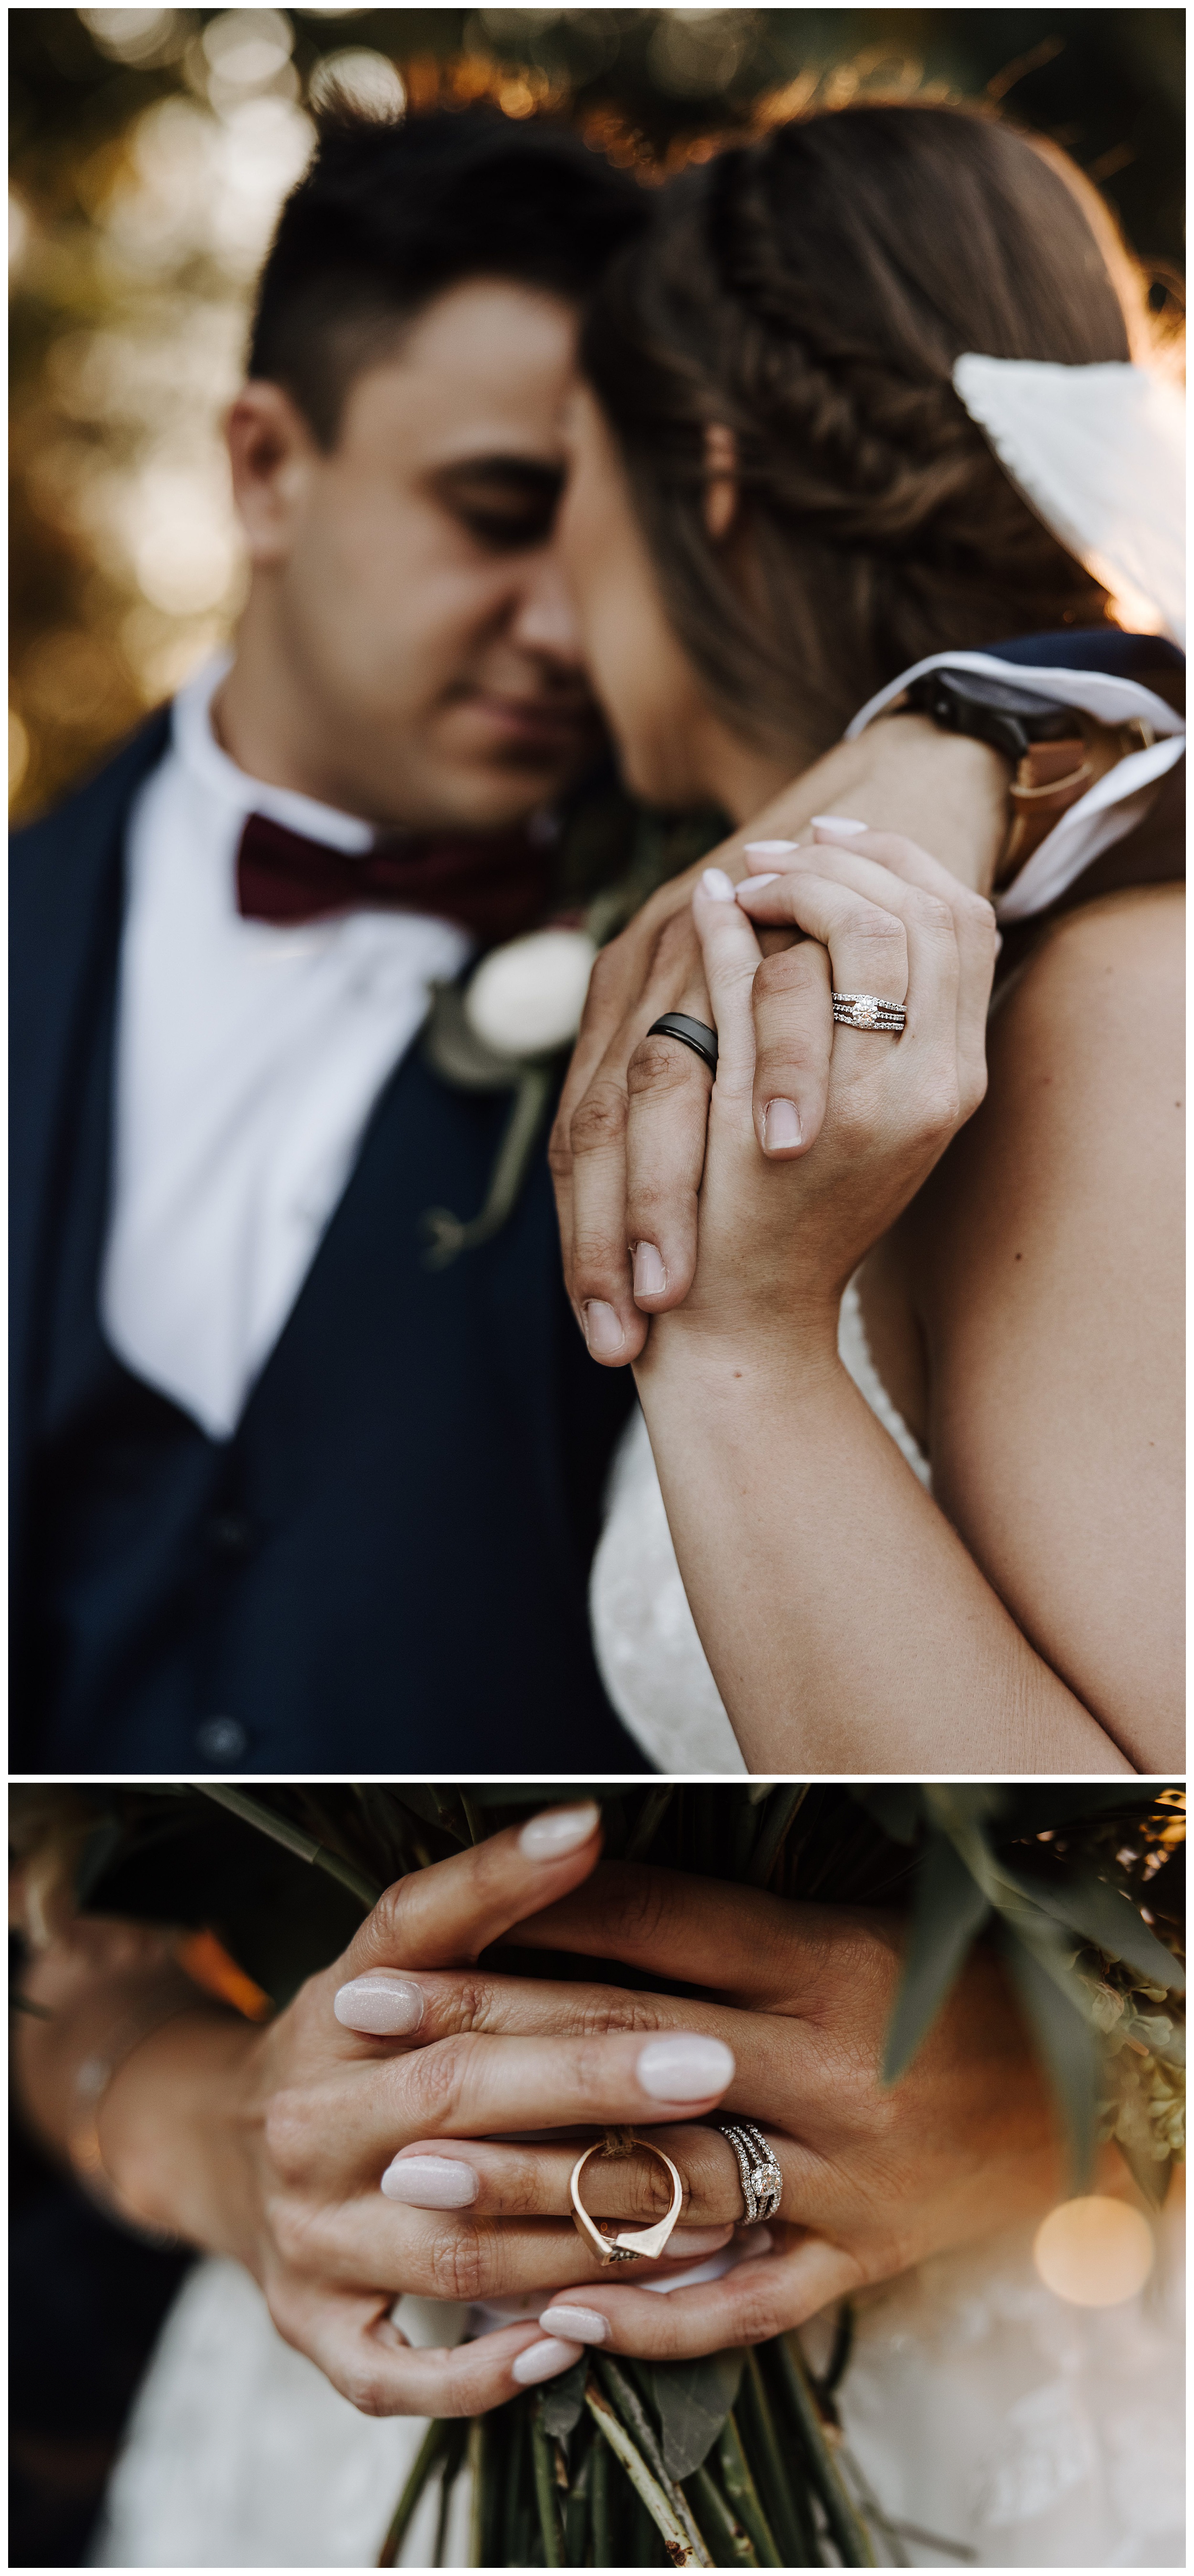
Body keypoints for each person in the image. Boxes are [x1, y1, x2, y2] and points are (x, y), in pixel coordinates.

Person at [11, 99, 1039, 1781]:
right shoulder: (29, 925)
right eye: (498, 509)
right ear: (266, 469)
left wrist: (966, 729)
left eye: (604, 532)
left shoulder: (763, 900)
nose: (566, 625)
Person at [545, 104, 1184, 1773]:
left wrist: (738, 1342)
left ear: (711, 478)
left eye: (559, 481)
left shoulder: (1122, 1010)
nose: (545, 598)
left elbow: (1144, 1875)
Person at [13, 1802, 1183, 2568]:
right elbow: (57, 1950)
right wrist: (231, 2131)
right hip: (353, 2356)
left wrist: (1081, 2079)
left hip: (1051, 2325)